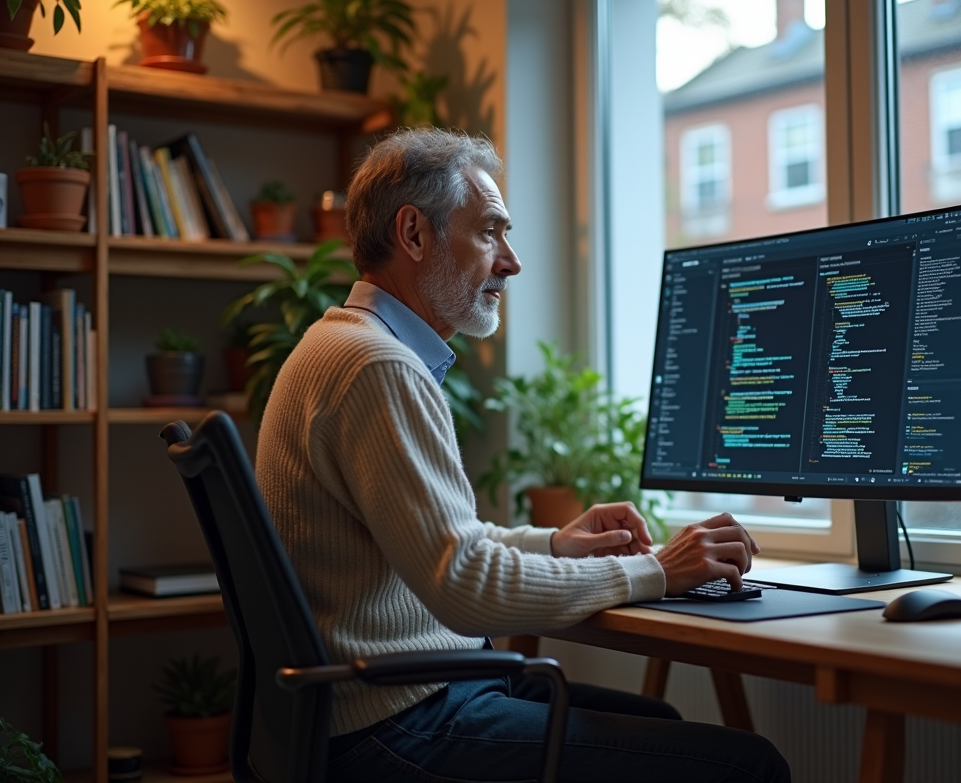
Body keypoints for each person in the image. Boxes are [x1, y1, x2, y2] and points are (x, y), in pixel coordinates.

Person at [256, 127, 792, 783]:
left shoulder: (341, 346)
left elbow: (442, 550)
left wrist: (557, 544)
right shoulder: (376, 366)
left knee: (662, 725)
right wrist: (658, 573)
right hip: (395, 725)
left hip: (378, 705)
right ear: (414, 235)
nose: (511, 261)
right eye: (490, 231)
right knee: (749, 765)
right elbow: (463, 587)